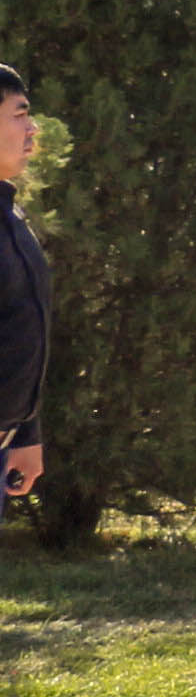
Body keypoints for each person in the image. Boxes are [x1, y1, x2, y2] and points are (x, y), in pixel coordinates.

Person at [0, 66, 46, 505]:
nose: (33, 128)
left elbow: (18, 330)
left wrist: (24, 432)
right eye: (20, 114)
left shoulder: (10, 217)